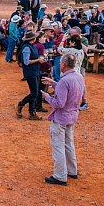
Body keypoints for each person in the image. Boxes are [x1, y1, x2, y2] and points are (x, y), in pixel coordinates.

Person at [40, 53, 85, 186]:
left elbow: (59, 103)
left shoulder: (65, 81)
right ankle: (72, 170)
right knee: (69, 143)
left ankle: (60, 175)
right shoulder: (78, 77)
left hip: (61, 117)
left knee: (58, 145)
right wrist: (55, 84)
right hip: (72, 115)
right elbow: (70, 91)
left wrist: (47, 97)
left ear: (64, 64)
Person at [16, 30, 45, 120]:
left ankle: (32, 112)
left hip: (35, 71)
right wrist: (38, 60)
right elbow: (26, 62)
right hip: (30, 72)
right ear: (33, 39)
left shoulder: (31, 46)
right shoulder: (27, 48)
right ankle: (21, 104)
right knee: (34, 93)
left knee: (34, 92)